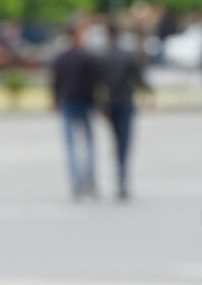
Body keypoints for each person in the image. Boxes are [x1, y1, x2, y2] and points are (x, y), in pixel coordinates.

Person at [98, 23, 150, 201]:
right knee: (124, 143)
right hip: (125, 103)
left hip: (109, 104)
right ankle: (122, 180)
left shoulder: (102, 56)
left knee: (115, 142)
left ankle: (119, 179)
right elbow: (139, 79)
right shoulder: (128, 55)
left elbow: (97, 84)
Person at [51, 22, 99, 200]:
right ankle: (90, 179)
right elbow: (95, 83)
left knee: (71, 145)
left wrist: (56, 100)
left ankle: (76, 183)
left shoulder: (62, 57)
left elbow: (55, 82)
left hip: (68, 102)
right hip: (85, 103)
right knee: (88, 144)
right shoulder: (88, 57)